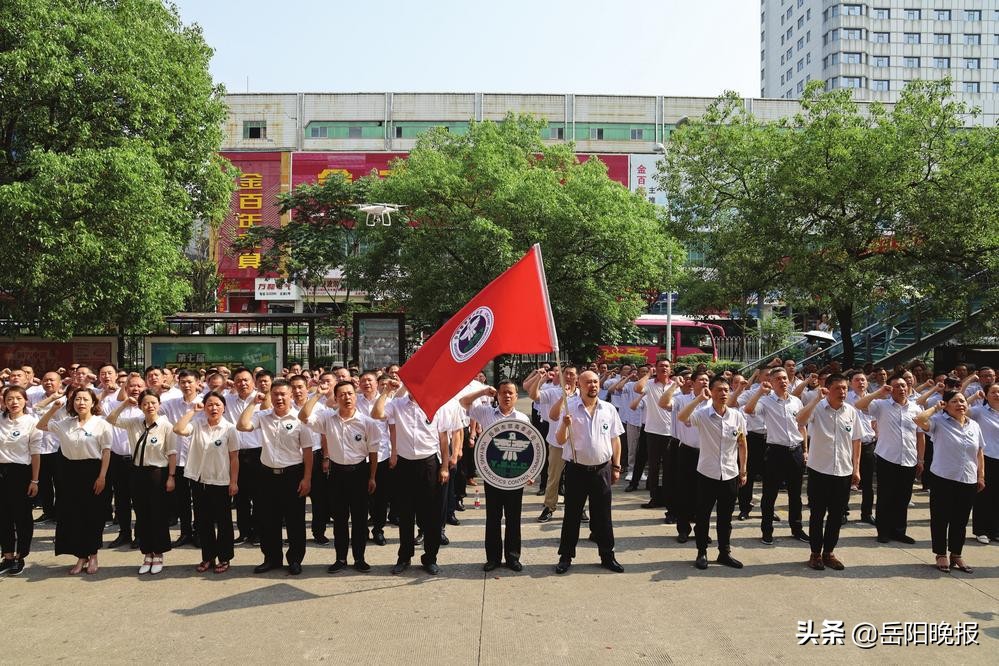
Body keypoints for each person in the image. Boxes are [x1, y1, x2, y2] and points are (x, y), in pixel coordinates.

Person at [300, 380, 380, 573]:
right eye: (342, 394)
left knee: (360, 519)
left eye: (350, 393)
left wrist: (372, 477)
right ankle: (341, 558)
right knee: (340, 519)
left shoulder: (367, 422)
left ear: (355, 396)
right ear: (335, 399)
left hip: (359, 473)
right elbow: (303, 416)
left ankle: (359, 558)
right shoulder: (327, 418)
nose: (347, 398)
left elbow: (373, 452)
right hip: (336, 474)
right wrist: (317, 394)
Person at [237, 379, 312, 575]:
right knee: (268, 520)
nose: (279, 398)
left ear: (290, 395)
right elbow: (242, 426)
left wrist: (307, 479)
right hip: (267, 475)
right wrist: (253, 402)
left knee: (295, 521)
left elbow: (308, 451)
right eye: (275, 394)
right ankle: (272, 558)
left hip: (293, 475)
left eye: (283, 394)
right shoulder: (262, 416)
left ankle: (295, 559)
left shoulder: (300, 419)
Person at [553, 370, 624, 575]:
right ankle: (566, 556)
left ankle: (607, 555)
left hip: (602, 470)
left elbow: (615, 440)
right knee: (572, 515)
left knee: (603, 516)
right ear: (580, 385)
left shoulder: (608, 409)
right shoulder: (570, 408)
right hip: (576, 470)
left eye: (595, 382)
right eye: (588, 382)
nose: (593, 385)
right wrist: (565, 425)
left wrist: (616, 466)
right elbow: (559, 440)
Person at [37, 388, 113, 575]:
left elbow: (106, 451)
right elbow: (41, 425)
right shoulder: (65, 423)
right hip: (69, 473)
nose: (81, 403)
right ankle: (81, 556)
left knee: (92, 515)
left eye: (85, 399)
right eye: (77, 399)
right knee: (74, 515)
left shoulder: (101, 424)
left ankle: (93, 554)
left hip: (93, 472)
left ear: (93, 403)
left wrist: (102, 477)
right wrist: (54, 408)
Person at [677, 377, 748, 570]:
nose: (723, 393)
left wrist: (743, 470)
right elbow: (682, 417)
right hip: (707, 474)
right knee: (703, 516)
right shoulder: (702, 415)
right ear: (712, 392)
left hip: (730, 473)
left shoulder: (736, 416)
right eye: (719, 390)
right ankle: (702, 552)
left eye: (726, 390)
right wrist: (699, 399)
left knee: (726, 518)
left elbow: (742, 443)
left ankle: (724, 552)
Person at [460, 380, 532, 572]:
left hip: (515, 477)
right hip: (492, 475)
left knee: (513, 518)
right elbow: (464, 402)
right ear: (497, 395)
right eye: (503, 392)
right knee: (493, 518)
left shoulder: (523, 419)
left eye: (510, 393)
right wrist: (483, 391)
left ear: (516, 396)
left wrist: (530, 472)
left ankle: (513, 557)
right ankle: (493, 558)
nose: (507, 396)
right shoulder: (486, 413)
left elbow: (530, 449)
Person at [380, 386, 451, 575]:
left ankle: (430, 557)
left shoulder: (437, 405)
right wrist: (386, 392)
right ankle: (404, 556)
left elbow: (444, 439)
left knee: (431, 515)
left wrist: (444, 466)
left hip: (428, 464)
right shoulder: (396, 404)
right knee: (405, 514)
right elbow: (377, 413)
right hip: (404, 464)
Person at [107, 390, 177, 575]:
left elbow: (172, 453)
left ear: (159, 404)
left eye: (153, 402)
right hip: (137, 473)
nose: (149, 406)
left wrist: (171, 476)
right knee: (142, 515)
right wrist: (124, 404)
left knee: (158, 515)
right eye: (145, 403)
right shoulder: (134, 423)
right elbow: (111, 419)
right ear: (140, 406)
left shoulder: (166, 426)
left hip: (158, 474)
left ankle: (159, 553)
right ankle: (147, 554)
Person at [796, 374, 862, 570]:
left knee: (836, 515)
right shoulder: (817, 408)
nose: (842, 392)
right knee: (817, 514)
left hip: (843, 471)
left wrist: (856, 468)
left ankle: (829, 552)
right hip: (819, 470)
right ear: (828, 389)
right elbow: (800, 420)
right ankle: (815, 553)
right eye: (837, 388)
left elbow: (856, 440)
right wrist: (816, 399)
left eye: (845, 388)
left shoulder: (850, 411)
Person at [915, 391, 986, 574]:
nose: (960, 404)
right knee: (941, 517)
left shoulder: (974, 425)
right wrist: (936, 408)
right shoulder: (939, 422)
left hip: (968, 478)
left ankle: (956, 554)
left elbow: (979, 452)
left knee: (961, 520)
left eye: (962, 401)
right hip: (943, 477)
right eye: (954, 401)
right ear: (946, 405)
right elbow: (918, 419)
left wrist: (981, 476)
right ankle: (941, 554)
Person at [173, 392, 239, 574]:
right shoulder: (197, 425)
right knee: (203, 522)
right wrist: (192, 412)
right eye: (209, 404)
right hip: (199, 481)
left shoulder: (229, 429)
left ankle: (224, 557)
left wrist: (234, 482)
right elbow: (178, 429)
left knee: (224, 523)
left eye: (217, 404)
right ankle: (208, 557)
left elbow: (234, 458)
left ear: (224, 407)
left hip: (221, 481)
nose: (213, 408)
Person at [853, 376, 923, 544]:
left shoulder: (915, 408)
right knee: (886, 497)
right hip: (887, 458)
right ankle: (883, 531)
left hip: (909, 458)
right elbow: (859, 405)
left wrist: (921, 459)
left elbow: (920, 436)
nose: (902, 389)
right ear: (890, 389)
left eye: (903, 385)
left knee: (903, 497)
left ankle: (898, 531)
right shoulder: (881, 405)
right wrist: (879, 392)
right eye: (897, 386)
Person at [744, 367, 809, 545]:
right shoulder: (765, 401)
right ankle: (767, 530)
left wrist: (805, 449)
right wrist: (759, 392)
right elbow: (748, 410)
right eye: (778, 379)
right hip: (775, 452)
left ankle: (797, 528)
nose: (783, 381)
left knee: (795, 495)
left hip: (795, 451)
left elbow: (801, 426)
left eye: (785, 378)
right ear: (771, 382)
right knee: (769, 494)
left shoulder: (796, 401)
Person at [528, 366, 582, 523]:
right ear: (562, 376)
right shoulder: (553, 392)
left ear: (577, 377)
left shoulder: (582, 394)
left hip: (577, 443)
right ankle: (549, 506)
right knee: (554, 477)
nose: (569, 376)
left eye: (572, 374)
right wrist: (539, 378)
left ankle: (579, 508)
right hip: (557, 442)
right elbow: (533, 395)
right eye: (566, 374)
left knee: (578, 479)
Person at [0, 386, 42, 576]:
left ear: (25, 400)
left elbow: (35, 454)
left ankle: (20, 556)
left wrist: (35, 480)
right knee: (3, 517)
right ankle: (7, 556)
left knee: (22, 516)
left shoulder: (32, 422)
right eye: (9, 398)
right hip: (1, 472)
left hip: (21, 473)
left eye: (18, 398)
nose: (14, 402)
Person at [100, 373, 145, 549]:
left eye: (139, 386)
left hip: (140, 460)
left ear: (145, 388)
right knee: (121, 499)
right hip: (118, 459)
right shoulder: (114, 405)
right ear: (125, 388)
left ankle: (140, 534)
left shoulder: (148, 406)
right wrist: (124, 403)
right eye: (132, 386)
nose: (135, 389)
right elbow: (105, 416)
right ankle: (124, 533)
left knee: (139, 499)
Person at [160, 369, 203, 548]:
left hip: (199, 459)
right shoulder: (170, 404)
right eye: (183, 382)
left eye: (190, 382)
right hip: (178, 460)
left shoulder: (205, 403)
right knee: (182, 500)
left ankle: (199, 532)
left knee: (200, 500)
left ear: (198, 383)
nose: (186, 385)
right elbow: (150, 409)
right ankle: (185, 532)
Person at [224, 368, 263, 544]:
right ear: (234, 383)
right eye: (238, 380)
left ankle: (258, 531)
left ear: (253, 382)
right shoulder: (228, 400)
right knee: (240, 496)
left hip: (258, 452)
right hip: (236, 453)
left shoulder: (262, 399)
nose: (243, 383)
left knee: (259, 495)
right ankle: (244, 531)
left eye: (246, 380)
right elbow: (208, 399)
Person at [845, 371, 877, 525]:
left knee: (868, 482)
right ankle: (842, 512)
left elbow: (875, 422)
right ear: (851, 383)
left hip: (868, 443)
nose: (861, 382)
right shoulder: (845, 397)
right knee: (845, 480)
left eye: (863, 380)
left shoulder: (874, 400)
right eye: (857, 380)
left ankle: (867, 513)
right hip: (848, 444)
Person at [970, 383, 998, 543]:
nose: (997, 395)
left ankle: (995, 530)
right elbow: (959, 410)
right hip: (986, 457)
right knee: (984, 495)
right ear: (986, 395)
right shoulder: (979, 411)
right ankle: (981, 530)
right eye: (993, 392)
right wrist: (974, 397)